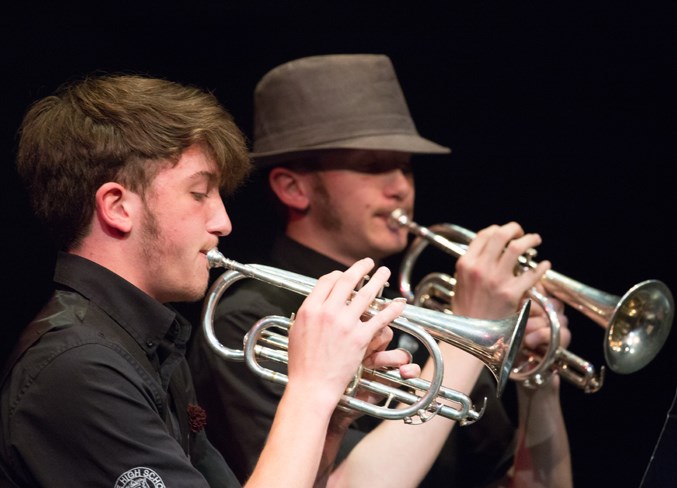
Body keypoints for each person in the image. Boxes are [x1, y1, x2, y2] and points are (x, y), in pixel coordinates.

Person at [0, 73, 420, 488]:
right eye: (199, 194)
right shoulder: (79, 367)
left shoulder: (148, 345)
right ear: (117, 207)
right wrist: (313, 387)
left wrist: (332, 418)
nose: (223, 222)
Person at [188, 54, 573, 487]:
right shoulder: (249, 316)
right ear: (293, 188)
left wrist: (539, 383)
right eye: (372, 166)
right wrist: (474, 328)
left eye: (405, 167)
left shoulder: (426, 315)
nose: (401, 187)